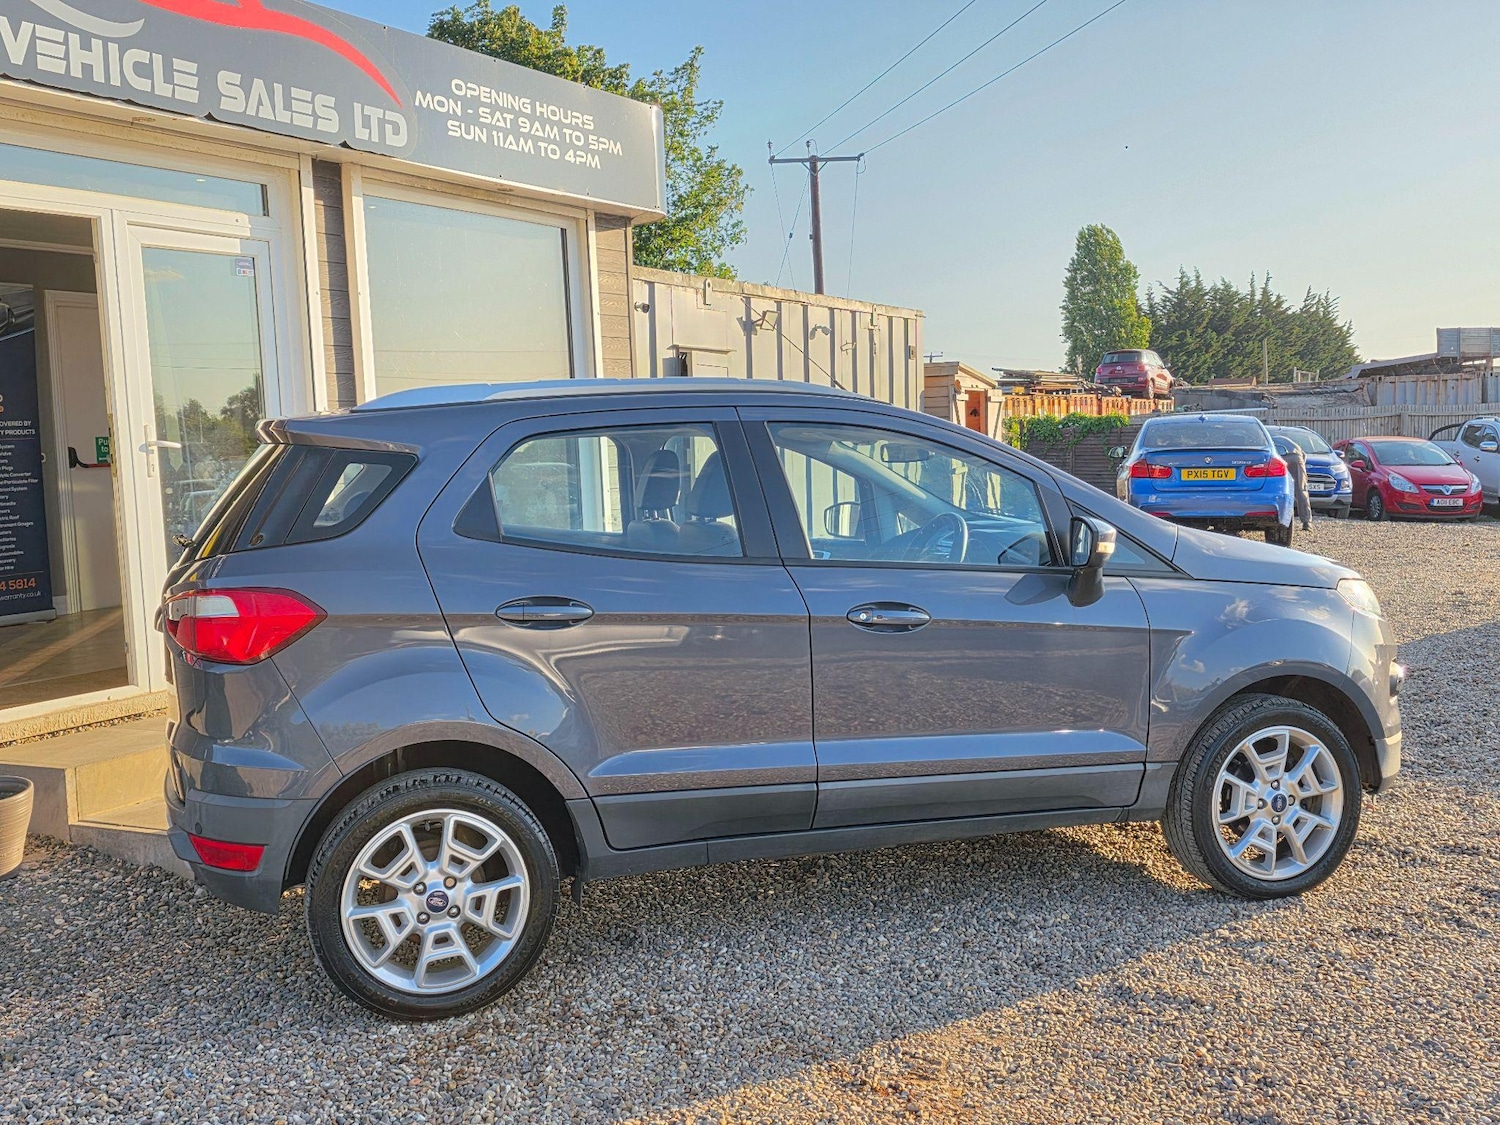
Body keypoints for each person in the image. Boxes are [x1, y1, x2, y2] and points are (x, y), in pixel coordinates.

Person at [1282, 439, 1312, 532]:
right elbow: (1304, 456)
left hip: (1281, 456)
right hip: (1297, 456)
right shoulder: (1291, 441)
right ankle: (1307, 522)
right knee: (1301, 490)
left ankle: (1283, 521)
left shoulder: (1264, 436)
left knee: (1280, 488)